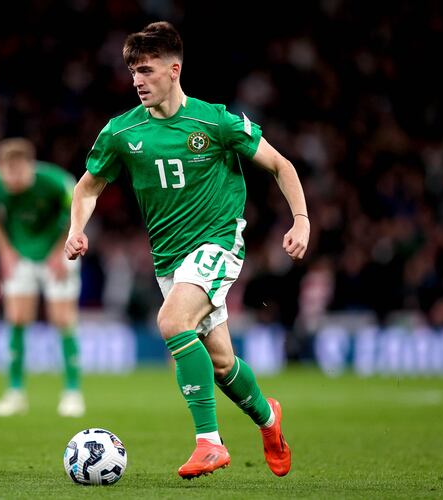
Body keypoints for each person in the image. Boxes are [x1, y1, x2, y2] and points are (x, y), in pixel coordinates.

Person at [65, 22, 308, 479]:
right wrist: (77, 229)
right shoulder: (122, 131)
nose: (137, 81)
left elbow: (280, 165)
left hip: (218, 241)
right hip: (169, 260)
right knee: (220, 363)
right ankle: (269, 419)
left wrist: (301, 219)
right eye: (133, 72)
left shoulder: (215, 121)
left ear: (174, 70)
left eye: (146, 70)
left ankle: (209, 443)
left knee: (172, 322)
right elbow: (87, 188)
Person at [0, 138, 85, 417]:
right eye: (7, 173)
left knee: (63, 319)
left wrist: (63, 249)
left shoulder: (57, 181)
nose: (12, 180)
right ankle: (15, 394)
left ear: (30, 167)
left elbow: (77, 210)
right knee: (16, 318)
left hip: (58, 251)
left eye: (18, 172)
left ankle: (72, 393)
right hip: (20, 254)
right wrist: (4, 250)